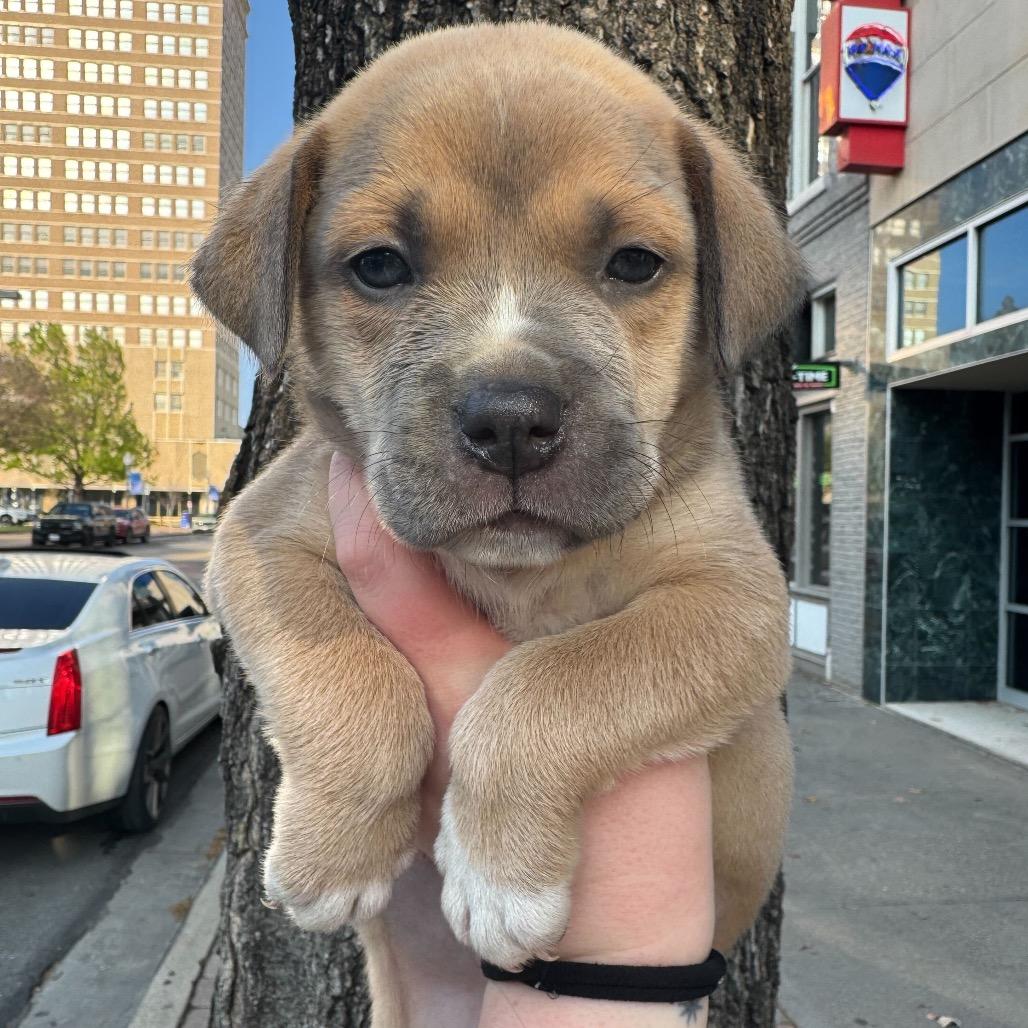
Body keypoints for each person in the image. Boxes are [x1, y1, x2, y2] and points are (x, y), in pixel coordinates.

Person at [329, 453, 717, 1027]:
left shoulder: (686, 467)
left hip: (620, 923)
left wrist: (523, 749)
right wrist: (350, 758)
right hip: (438, 952)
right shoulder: (346, 463)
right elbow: (256, 553)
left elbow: (742, 614)